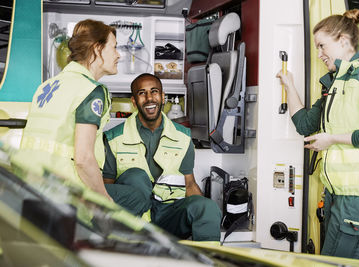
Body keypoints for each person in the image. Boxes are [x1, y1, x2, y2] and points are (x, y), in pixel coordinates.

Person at [276, 9, 359, 259]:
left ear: (342, 40)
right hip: (337, 194)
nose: (319, 54)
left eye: (322, 46)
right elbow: (305, 124)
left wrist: (331, 139)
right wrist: (289, 85)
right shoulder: (334, 83)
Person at [102, 73, 222, 241]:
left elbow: (189, 184)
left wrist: (202, 213)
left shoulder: (183, 137)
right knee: (135, 176)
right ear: (134, 102)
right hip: (133, 221)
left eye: (154, 91)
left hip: (169, 213)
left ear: (163, 97)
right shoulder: (114, 138)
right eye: (142, 93)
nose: (149, 98)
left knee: (206, 207)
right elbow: (106, 189)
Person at [20, 19, 120, 201]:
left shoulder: (47, 85)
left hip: (29, 184)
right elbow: (83, 159)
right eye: (114, 47)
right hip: (64, 191)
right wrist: (104, 200)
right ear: (97, 49)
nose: (118, 55)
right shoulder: (90, 91)